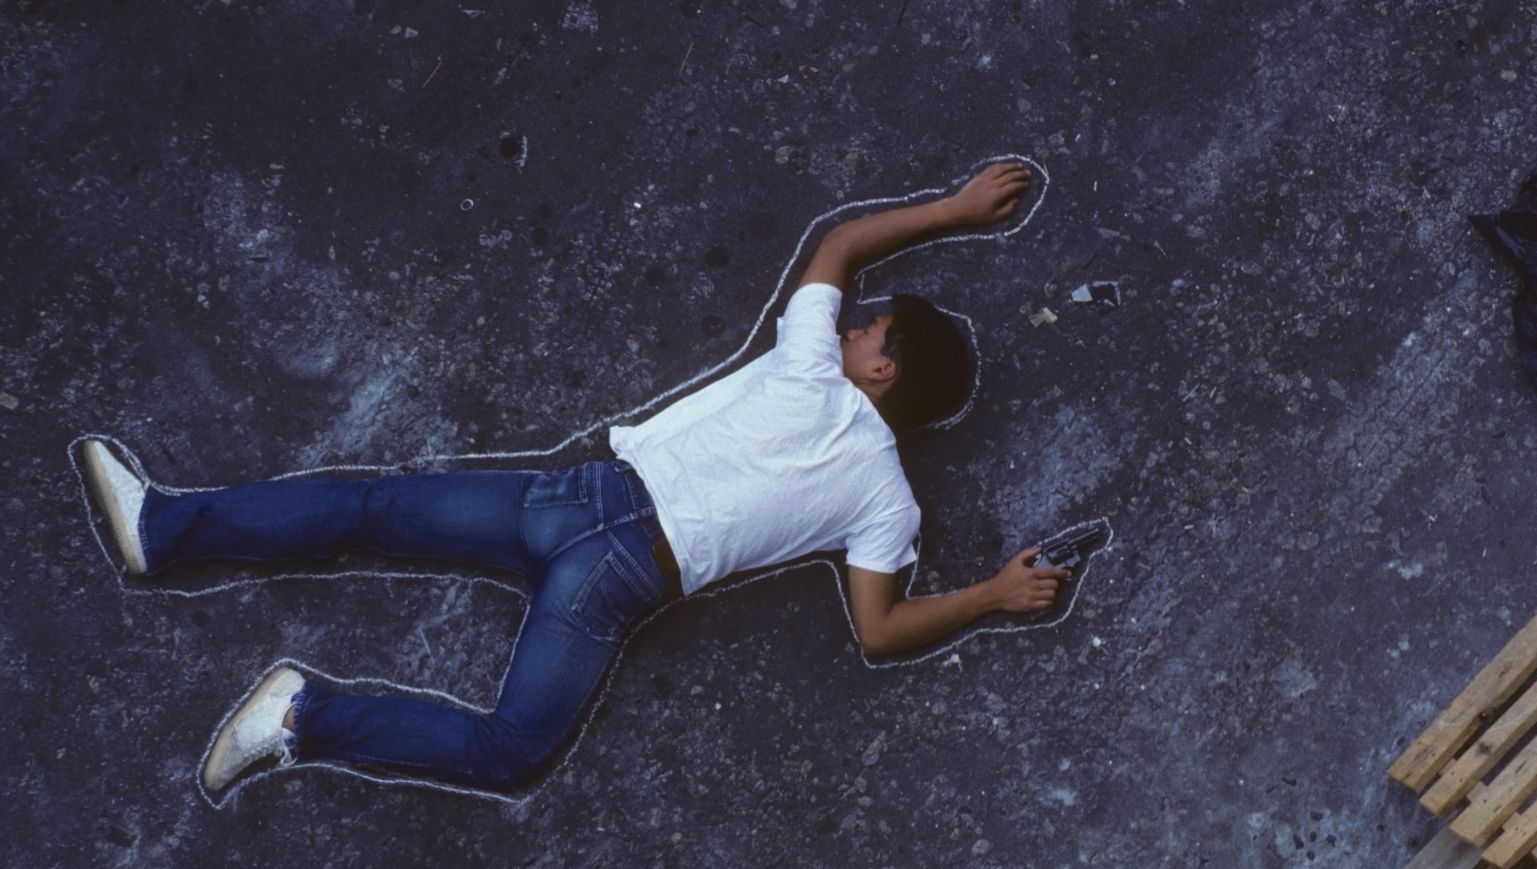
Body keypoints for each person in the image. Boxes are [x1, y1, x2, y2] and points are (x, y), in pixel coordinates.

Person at [79, 161, 1072, 797]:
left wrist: (954, 210)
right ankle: (303, 713)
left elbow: (840, 245)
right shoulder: (886, 501)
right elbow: (881, 630)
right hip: (622, 576)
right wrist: (992, 595)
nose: (854, 323)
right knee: (510, 750)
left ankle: (164, 530)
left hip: (584, 499)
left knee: (373, 507)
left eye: (871, 327)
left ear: (880, 368)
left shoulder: (814, 367)